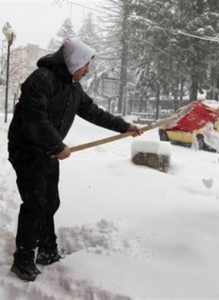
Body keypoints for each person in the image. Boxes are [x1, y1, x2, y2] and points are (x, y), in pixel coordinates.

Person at [7, 38, 142, 281]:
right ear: (74, 62)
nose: (88, 70)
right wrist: (57, 145)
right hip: (26, 150)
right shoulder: (41, 79)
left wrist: (124, 127)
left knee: (50, 201)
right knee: (35, 203)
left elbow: (93, 112)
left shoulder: (72, 86)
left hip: (47, 150)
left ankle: (47, 249)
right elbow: (34, 116)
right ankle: (23, 259)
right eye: (86, 65)